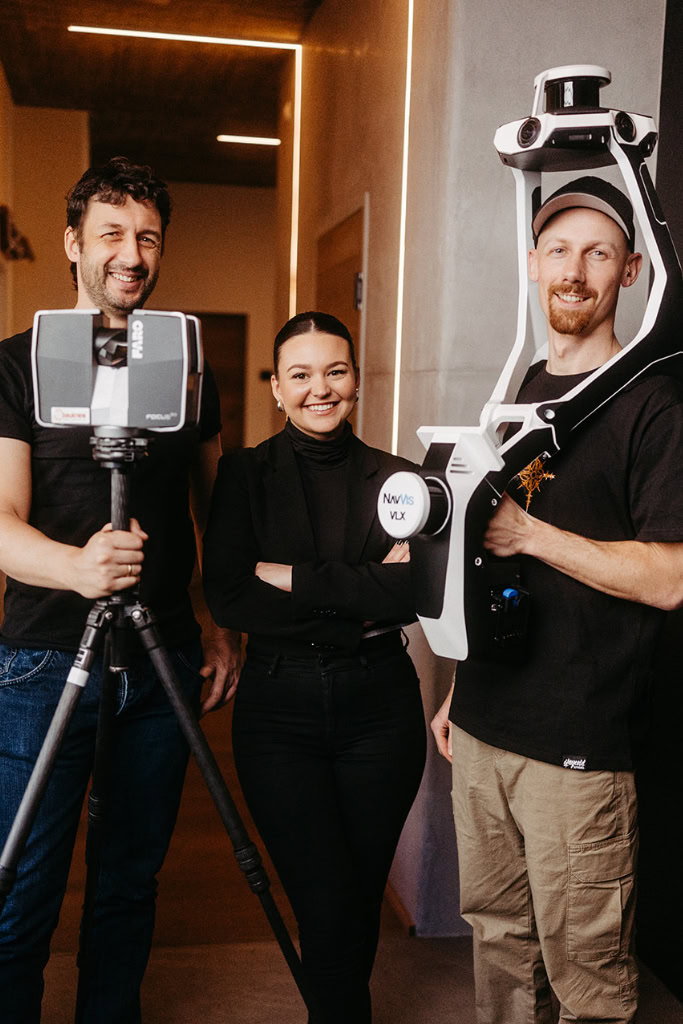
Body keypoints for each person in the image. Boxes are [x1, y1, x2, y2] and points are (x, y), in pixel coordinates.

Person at [431, 177, 683, 1024]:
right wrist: (460, 685)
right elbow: (483, 558)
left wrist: (531, 534)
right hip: (484, 724)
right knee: (498, 940)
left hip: (578, 741)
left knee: (586, 979)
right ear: (532, 263)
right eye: (558, 250)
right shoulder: (519, 388)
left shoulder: (652, 404)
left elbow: (668, 579)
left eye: (597, 253)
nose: (574, 271)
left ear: (631, 271)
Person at [0, 156, 241, 1023]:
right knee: (21, 886)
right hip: (42, 658)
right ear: (73, 243)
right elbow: (1, 519)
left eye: (148, 237)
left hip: (160, 653)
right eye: (110, 234)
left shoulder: (188, 363)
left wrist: (218, 625)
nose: (131, 255)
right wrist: (76, 567)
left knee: (129, 882)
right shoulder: (17, 364)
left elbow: (214, 512)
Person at [203, 311, 427, 1023]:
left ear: (355, 379)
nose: (319, 389)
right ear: (276, 388)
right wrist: (357, 597)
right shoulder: (243, 474)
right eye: (300, 375)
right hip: (279, 711)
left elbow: (413, 593)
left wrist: (291, 578)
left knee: (357, 894)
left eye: (335, 371)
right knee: (325, 898)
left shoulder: (402, 480)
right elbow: (229, 595)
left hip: (381, 708)